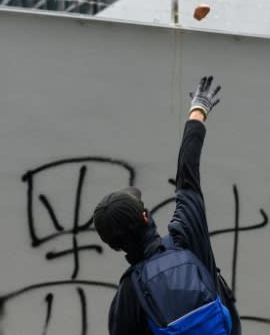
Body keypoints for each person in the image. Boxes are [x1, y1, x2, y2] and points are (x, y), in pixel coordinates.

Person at [93, 75, 241, 335]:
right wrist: (199, 110)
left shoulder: (130, 292)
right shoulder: (188, 238)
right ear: (146, 217)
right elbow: (188, 177)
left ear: (113, 245)